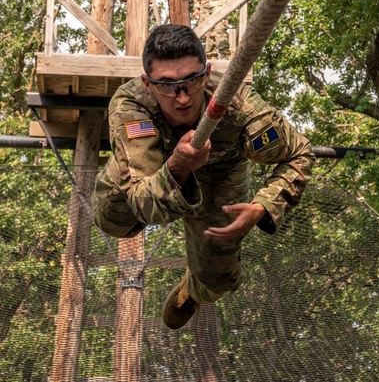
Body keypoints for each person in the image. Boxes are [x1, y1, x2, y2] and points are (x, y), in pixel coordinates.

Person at [92, 24, 313, 329]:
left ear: (207, 73)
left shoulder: (239, 104)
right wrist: (178, 166)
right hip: (155, 168)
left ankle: (192, 289)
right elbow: (145, 206)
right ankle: (130, 173)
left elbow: (300, 154)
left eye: (191, 81)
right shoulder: (132, 105)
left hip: (221, 173)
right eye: (167, 85)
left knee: (219, 279)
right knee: (113, 216)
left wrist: (263, 207)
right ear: (147, 83)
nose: (182, 97)